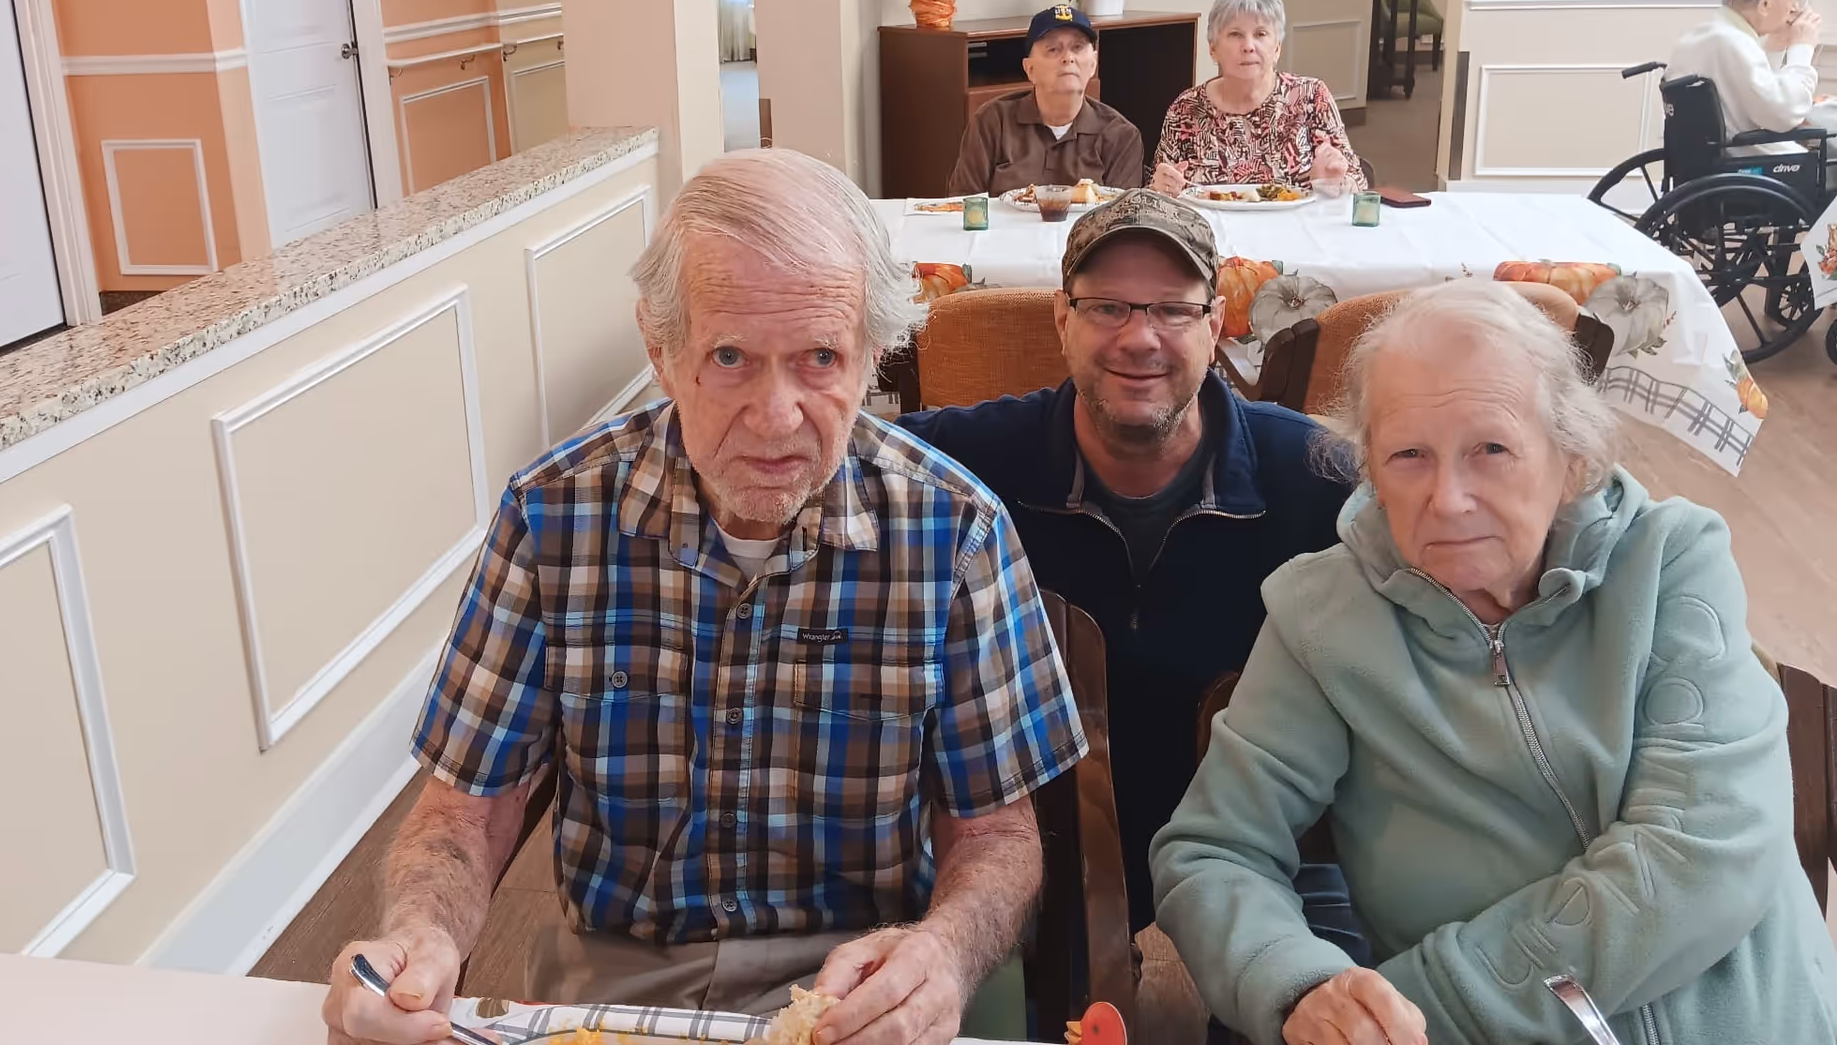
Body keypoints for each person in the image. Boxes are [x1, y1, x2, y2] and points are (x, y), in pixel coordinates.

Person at [320, 150, 1087, 1045]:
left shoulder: (956, 531)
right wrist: (421, 933)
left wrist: (945, 953)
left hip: (859, 976)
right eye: (730, 357)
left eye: (820, 358)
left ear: (874, 353)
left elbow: (998, 838)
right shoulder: (551, 517)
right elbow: (462, 813)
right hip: (619, 971)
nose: (775, 414)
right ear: (661, 349)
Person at [1150, 278, 1837, 1045]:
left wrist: (1412, 1005)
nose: (1447, 499)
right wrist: (1302, 988)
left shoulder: (1672, 562)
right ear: (1369, 469)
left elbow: (1700, 855)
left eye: (1492, 450)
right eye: (1408, 455)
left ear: (1571, 459)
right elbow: (1214, 851)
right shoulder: (1321, 617)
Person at [896, 192, 1360, 981]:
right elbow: (833, 461)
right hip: (1048, 841)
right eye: (1106, 306)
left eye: (1173, 311)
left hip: (1258, 844)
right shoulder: (967, 465)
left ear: (1216, 325)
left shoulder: (1314, 475)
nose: (1138, 337)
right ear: (1061, 319)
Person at [1150, 0, 1365, 196]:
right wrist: (1161, 188)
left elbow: (1360, 188)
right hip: (1211, 229)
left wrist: (1331, 183)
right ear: (1213, 49)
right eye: (1235, 34)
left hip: (1293, 228)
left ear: (1277, 48)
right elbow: (1155, 191)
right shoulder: (1186, 108)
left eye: (1261, 34)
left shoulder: (1311, 96)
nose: (1248, 46)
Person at [948, 4, 1145, 196]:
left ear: (1093, 64)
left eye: (1077, 47)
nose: (1068, 58)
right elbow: (964, 206)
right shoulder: (992, 122)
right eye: (1053, 49)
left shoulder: (1120, 135)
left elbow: (1121, 221)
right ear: (1029, 69)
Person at [1666, 0, 1830, 156]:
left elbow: (1752, 92)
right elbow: (1784, 114)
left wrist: (1775, 45)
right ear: (1766, 2)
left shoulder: (1707, 35)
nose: (1794, 8)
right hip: (1743, 162)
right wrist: (1802, 48)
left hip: (1705, 159)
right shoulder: (1733, 43)